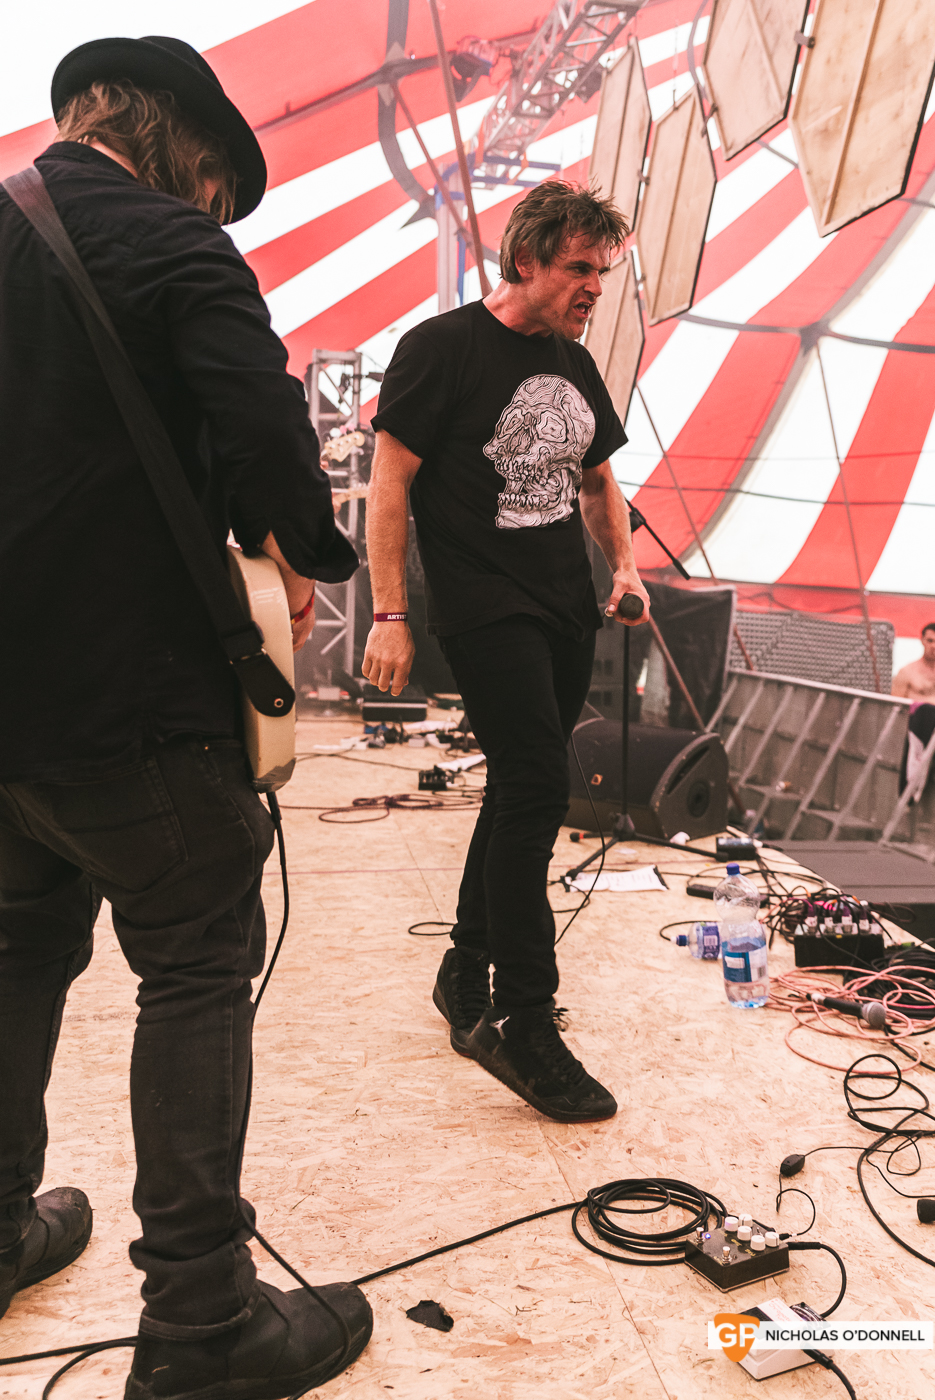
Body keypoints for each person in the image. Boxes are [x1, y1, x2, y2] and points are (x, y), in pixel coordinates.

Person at [0, 36, 372, 1400]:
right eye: (215, 180)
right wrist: (306, 556)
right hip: (134, 697)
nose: (214, 206)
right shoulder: (173, 242)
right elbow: (266, 440)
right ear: (171, 137)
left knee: (15, 955)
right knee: (198, 964)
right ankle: (202, 1326)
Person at [362, 180, 649, 1124]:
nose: (593, 287)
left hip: (565, 607)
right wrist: (389, 613)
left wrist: (625, 567)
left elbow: (598, 482)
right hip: (484, 610)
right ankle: (522, 1019)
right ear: (525, 259)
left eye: (602, 271)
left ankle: (463, 964)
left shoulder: (575, 363)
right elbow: (389, 487)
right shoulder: (439, 348)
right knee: (534, 787)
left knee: (518, 789)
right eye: (579, 267)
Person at [892, 623, 935, 702]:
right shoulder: (906, 672)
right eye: (930, 641)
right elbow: (894, 705)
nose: (933, 646)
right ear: (922, 640)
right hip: (918, 709)